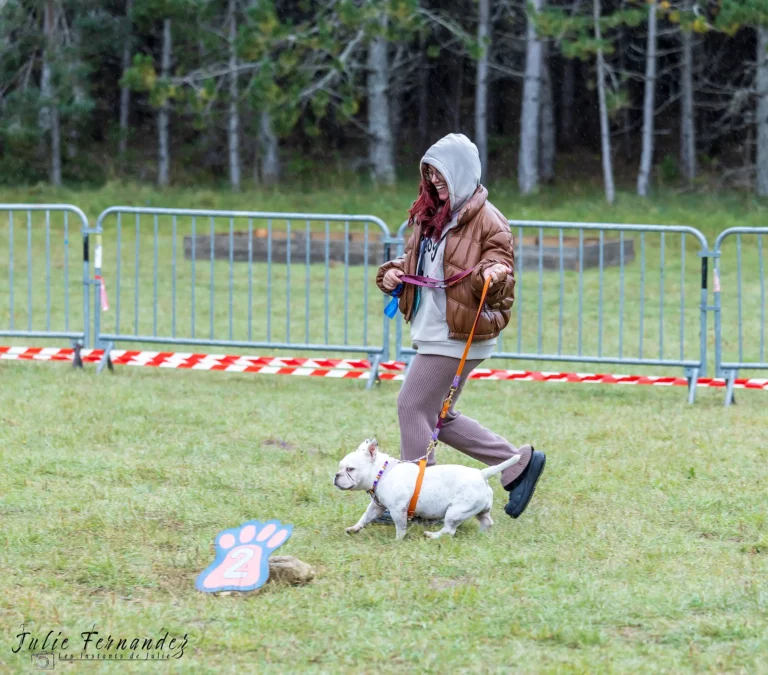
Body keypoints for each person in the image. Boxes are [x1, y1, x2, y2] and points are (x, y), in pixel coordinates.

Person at [376, 133, 545, 520]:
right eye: (429, 173)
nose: (433, 180)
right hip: (434, 328)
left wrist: (494, 274)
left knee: (411, 405)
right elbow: (418, 260)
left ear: (462, 173)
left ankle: (415, 500)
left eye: (440, 173)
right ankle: (517, 465)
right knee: (438, 416)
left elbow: (500, 264)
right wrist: (394, 273)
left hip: (458, 332)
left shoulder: (489, 219)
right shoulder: (432, 215)